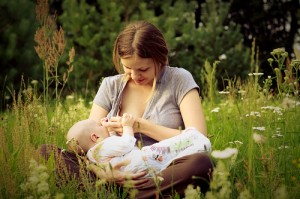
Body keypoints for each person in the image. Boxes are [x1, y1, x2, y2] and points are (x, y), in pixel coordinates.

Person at [39, 20, 214, 198]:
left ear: (159, 59)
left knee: (201, 164)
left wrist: (141, 126)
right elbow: (85, 144)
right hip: (110, 173)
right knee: (45, 153)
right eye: (128, 68)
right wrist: (102, 172)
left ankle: (121, 194)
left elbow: (198, 138)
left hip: (161, 172)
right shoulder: (111, 85)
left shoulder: (179, 80)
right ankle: (115, 190)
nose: (135, 76)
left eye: (143, 69)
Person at [66, 113, 211, 177]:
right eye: (99, 125)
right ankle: (194, 140)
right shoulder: (102, 146)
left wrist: (109, 129)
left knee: (171, 157)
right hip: (144, 159)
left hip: (135, 173)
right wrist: (128, 126)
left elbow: (113, 144)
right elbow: (126, 144)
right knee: (169, 149)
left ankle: (141, 192)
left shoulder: (95, 154)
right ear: (95, 137)